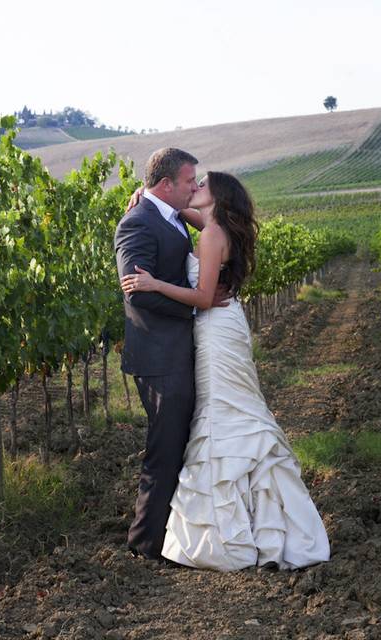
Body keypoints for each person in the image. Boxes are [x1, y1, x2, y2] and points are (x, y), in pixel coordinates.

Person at [120, 171, 330, 571]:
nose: (194, 188)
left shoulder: (213, 234)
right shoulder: (213, 223)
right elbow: (175, 208)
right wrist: (145, 194)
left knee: (222, 411)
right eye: (191, 182)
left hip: (215, 327)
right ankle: (252, 522)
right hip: (221, 325)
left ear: (217, 197)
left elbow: (202, 298)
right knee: (232, 411)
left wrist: (153, 283)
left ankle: (224, 533)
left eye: (202, 186)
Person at [114, 147, 210, 561]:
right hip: (158, 356)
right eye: (190, 181)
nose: (195, 187)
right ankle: (145, 544)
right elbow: (137, 291)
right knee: (164, 447)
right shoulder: (137, 222)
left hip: (175, 351)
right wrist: (194, 306)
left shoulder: (168, 214)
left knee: (176, 444)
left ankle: (168, 536)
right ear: (167, 184)